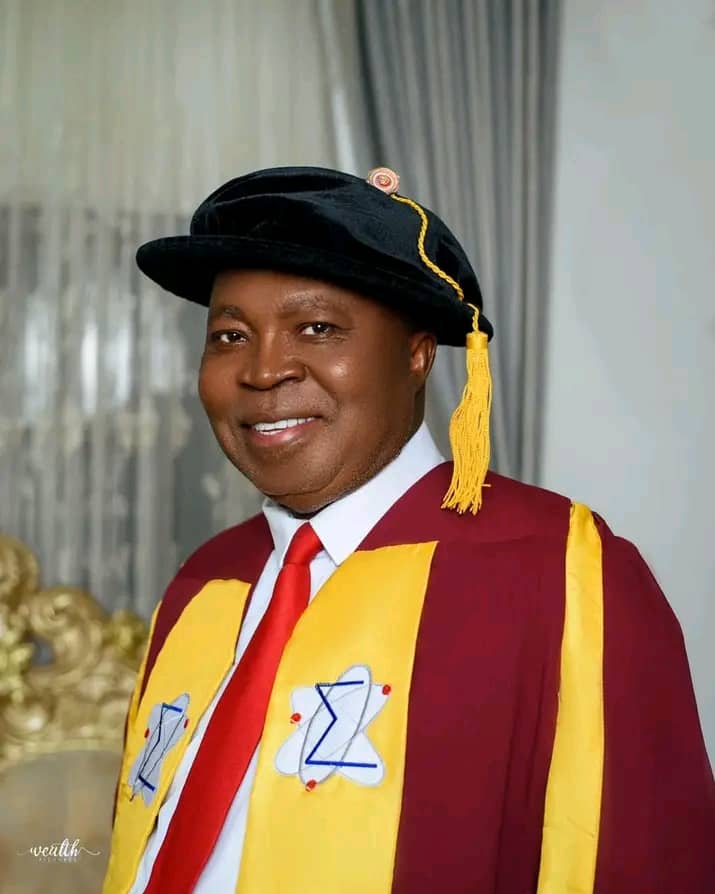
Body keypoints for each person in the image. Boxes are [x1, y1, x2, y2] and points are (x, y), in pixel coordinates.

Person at [103, 166, 714, 894]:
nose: (263, 371)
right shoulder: (207, 579)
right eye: (230, 335)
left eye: (317, 328)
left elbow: (640, 862)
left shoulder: (560, 574)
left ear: (418, 354)